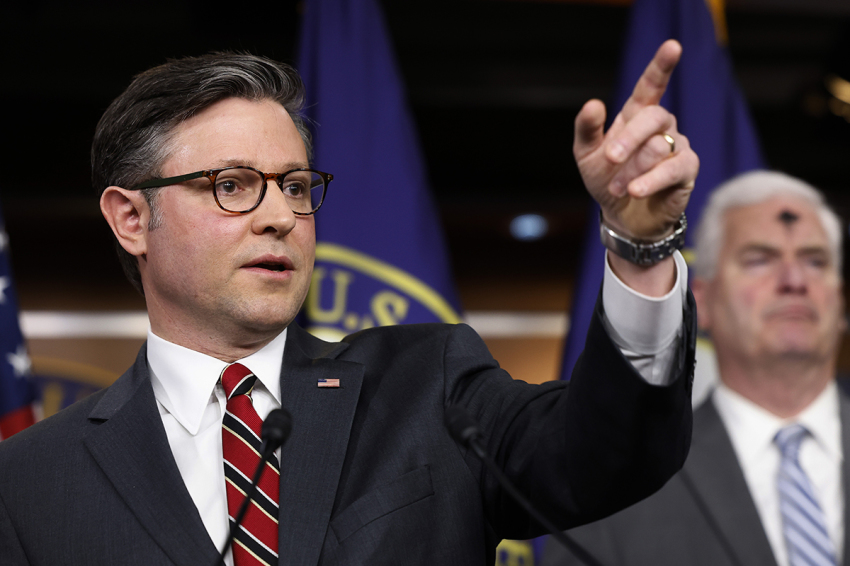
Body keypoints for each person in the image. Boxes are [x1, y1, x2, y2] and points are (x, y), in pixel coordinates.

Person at [0, 40, 699, 566]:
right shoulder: (29, 481)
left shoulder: (428, 386)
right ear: (131, 219)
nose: (281, 216)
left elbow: (608, 454)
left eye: (295, 186)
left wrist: (640, 248)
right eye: (233, 185)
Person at [542, 170, 848, 566]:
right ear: (701, 298)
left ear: (840, 299)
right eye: (759, 259)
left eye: (815, 261)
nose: (794, 280)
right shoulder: (614, 494)